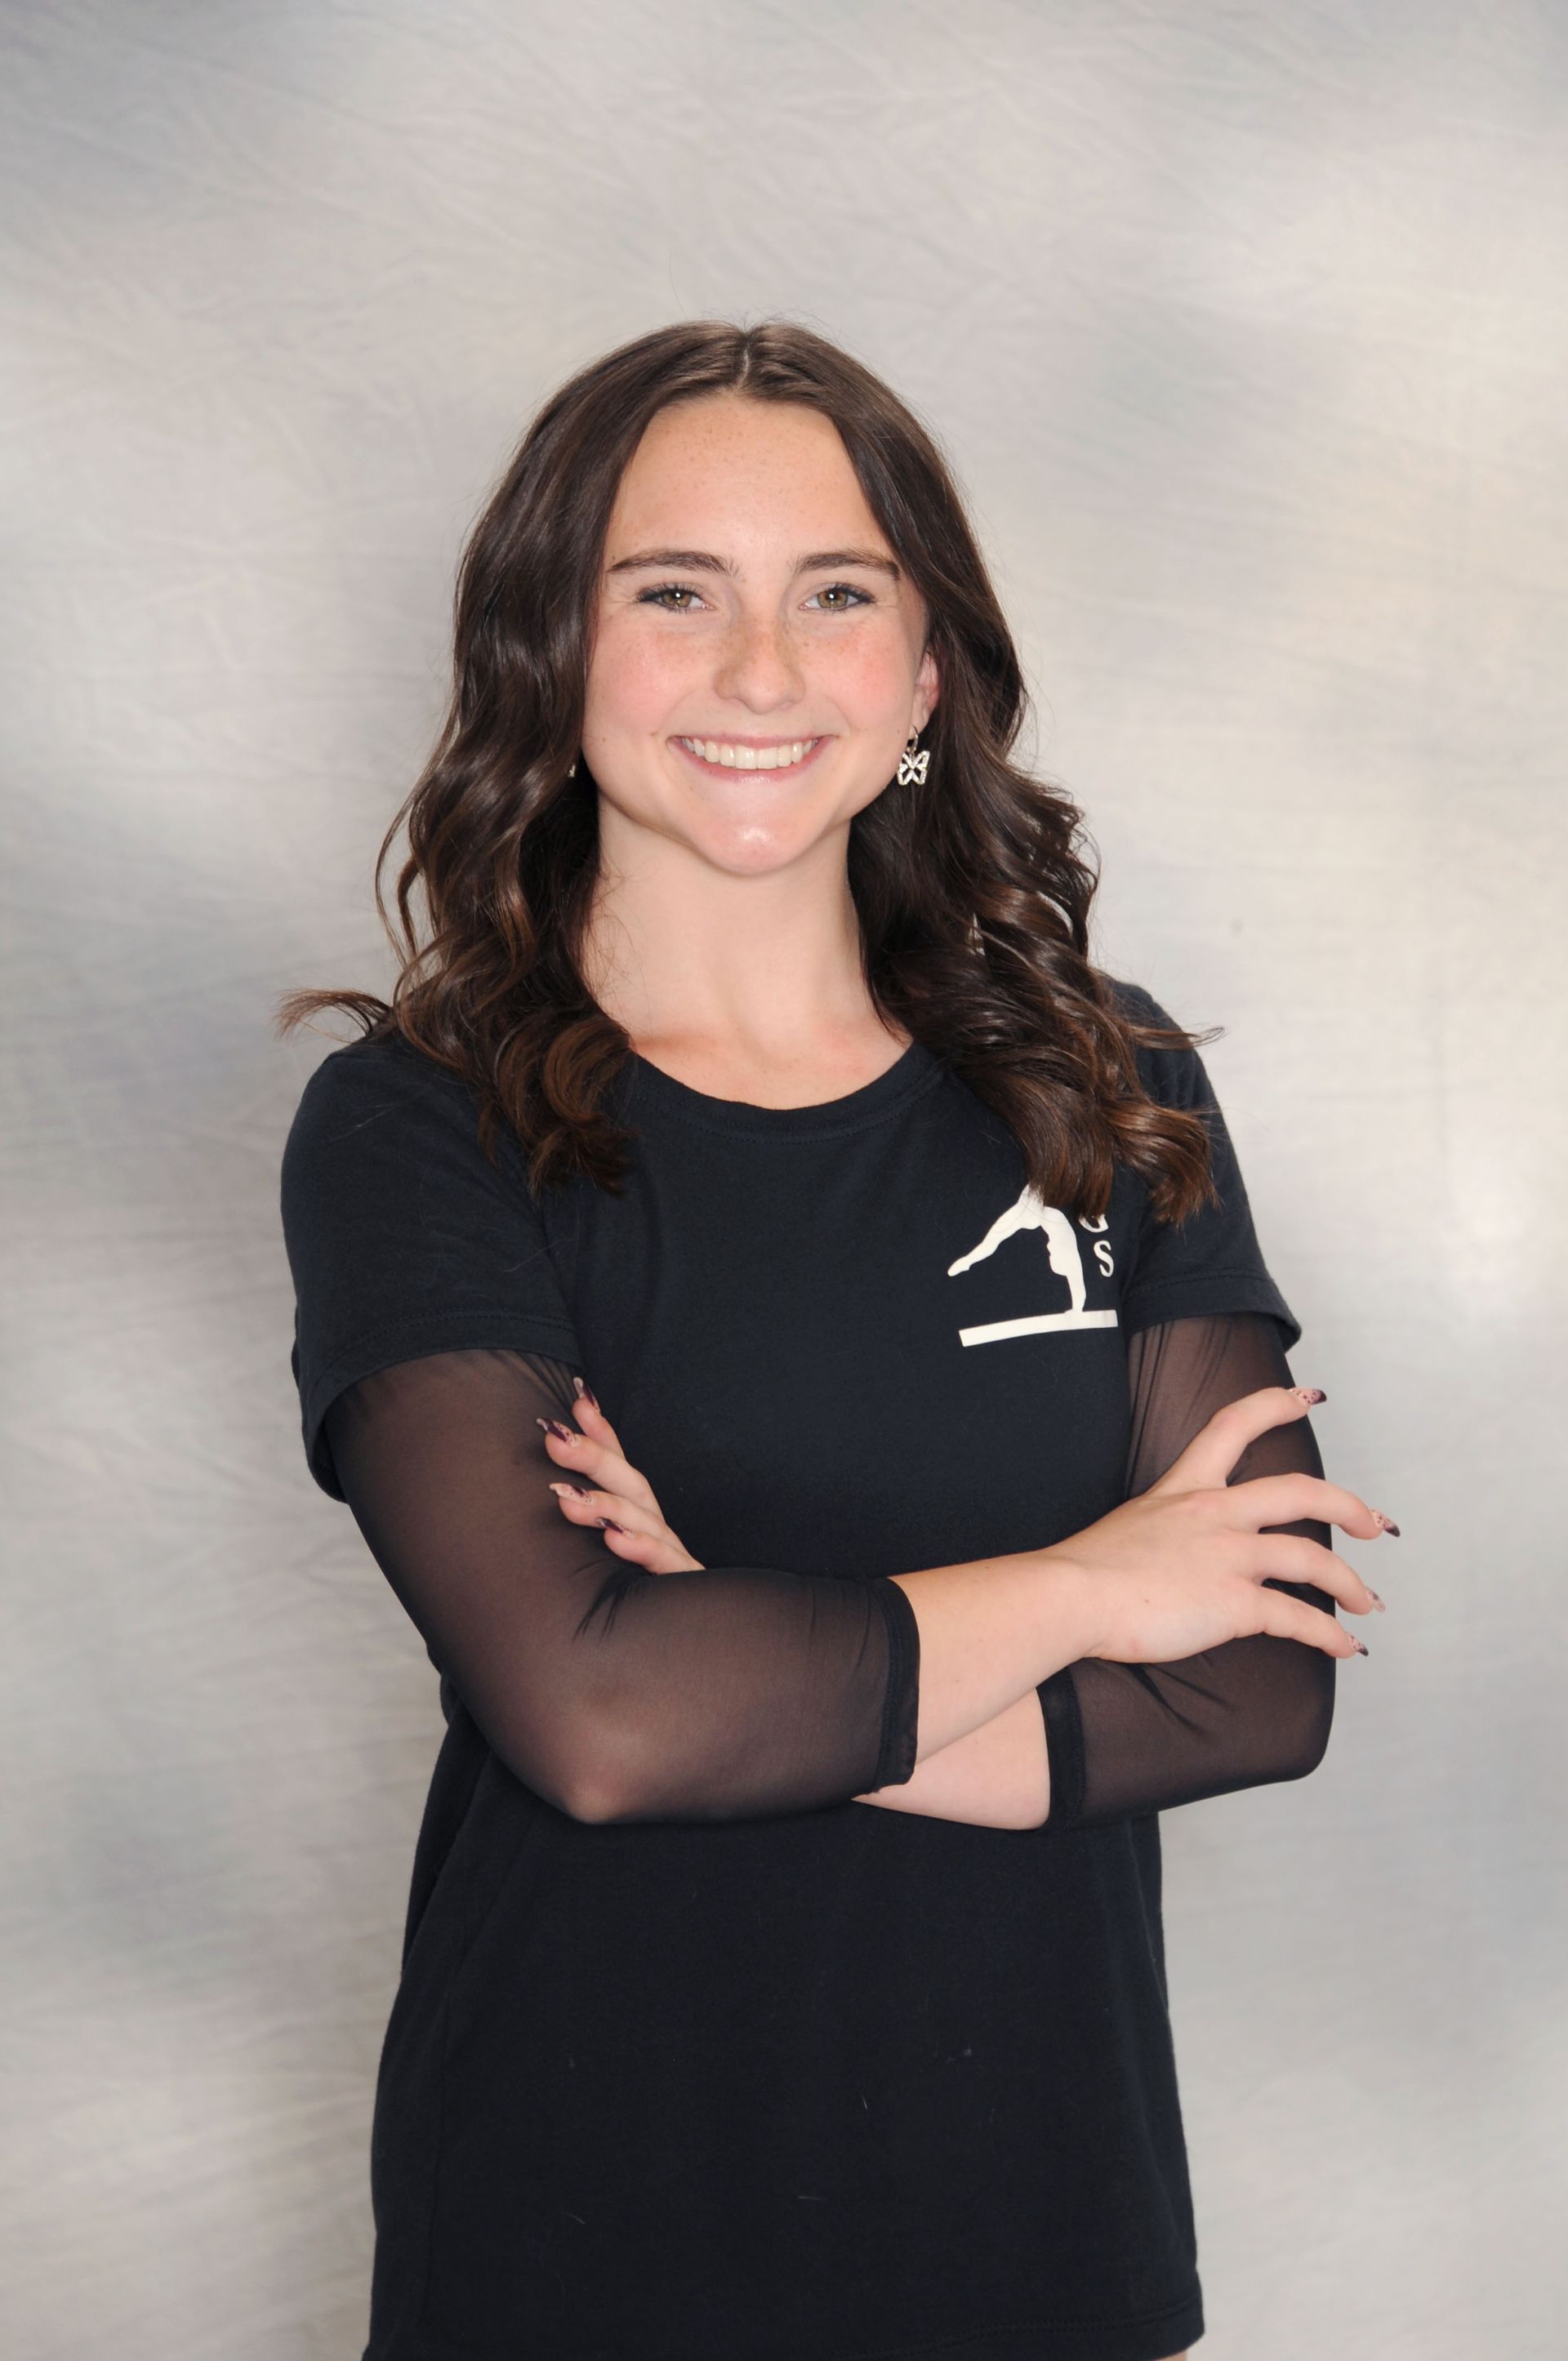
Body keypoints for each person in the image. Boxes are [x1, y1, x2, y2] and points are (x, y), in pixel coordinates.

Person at [276, 319, 1393, 2361]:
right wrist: (1082, 1589)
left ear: (925, 673)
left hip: (1043, 2243)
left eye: (839, 595)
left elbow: (1252, 1692)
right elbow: (603, 1728)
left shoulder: (1101, 1088)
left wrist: (733, 1628)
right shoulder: (424, 1126)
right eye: (675, 591)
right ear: (555, 646)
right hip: (577, 2244)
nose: (763, 671)